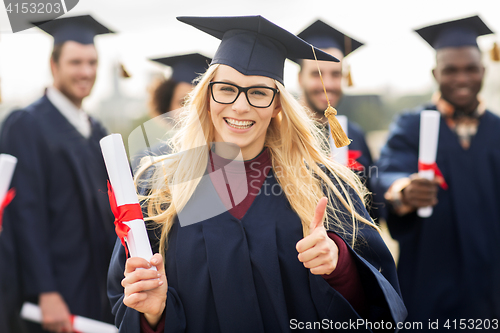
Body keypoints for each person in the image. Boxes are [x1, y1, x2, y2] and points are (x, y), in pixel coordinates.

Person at [108, 15, 407, 333]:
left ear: (278, 104)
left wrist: (341, 267)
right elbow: (125, 297)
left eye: (259, 93)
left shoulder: (325, 187)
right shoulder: (161, 190)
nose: (239, 106)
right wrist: (153, 314)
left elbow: (380, 305)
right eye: (226, 89)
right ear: (207, 95)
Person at [373, 15, 500, 329]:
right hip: (430, 286)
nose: (461, 79)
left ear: (483, 70)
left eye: (470, 69)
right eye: (450, 70)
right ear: (435, 73)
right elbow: (388, 172)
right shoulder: (412, 124)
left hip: (491, 288)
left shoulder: (498, 129)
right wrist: (403, 190)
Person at [0, 15, 116, 333]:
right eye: (75, 62)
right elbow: (24, 213)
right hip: (56, 293)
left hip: (98, 286)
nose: (86, 71)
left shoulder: (95, 131)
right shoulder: (26, 125)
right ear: (54, 66)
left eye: (92, 62)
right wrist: (45, 291)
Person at [294, 20, 379, 221]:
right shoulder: (280, 134)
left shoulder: (354, 135)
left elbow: (375, 209)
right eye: (317, 74)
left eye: (336, 74)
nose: (328, 85)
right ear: (299, 78)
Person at [130, 53, 211, 172]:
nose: (191, 110)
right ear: (167, 107)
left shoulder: (232, 160)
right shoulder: (147, 163)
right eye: (183, 102)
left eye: (201, 102)